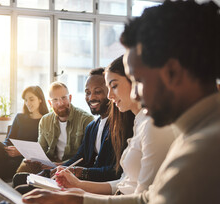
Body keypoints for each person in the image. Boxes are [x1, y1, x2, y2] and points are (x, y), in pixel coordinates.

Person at [0, 1, 220, 204]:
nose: (136, 93)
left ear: (173, 71)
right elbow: (145, 202)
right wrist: (72, 201)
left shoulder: (209, 147)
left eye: (138, 80)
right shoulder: (198, 130)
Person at [55, 55, 175, 196]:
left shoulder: (151, 125)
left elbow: (140, 200)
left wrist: (82, 199)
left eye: (114, 86)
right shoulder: (139, 122)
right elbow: (123, 183)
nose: (110, 96)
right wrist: (78, 185)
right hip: (118, 199)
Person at [13, 67, 132, 188]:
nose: (91, 98)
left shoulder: (120, 125)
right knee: (20, 179)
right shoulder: (92, 127)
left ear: (110, 93)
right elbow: (80, 158)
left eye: (98, 91)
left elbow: (115, 172)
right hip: (81, 179)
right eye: (87, 92)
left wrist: (79, 172)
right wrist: (56, 169)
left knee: (23, 189)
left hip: (93, 185)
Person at [18, 81, 94, 174]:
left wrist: (59, 165)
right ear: (50, 103)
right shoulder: (45, 120)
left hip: (72, 168)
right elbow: (42, 148)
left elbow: (86, 156)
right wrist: (32, 158)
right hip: (49, 165)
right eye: (55, 100)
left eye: (63, 98)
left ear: (70, 98)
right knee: (23, 168)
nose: (60, 103)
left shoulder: (86, 120)